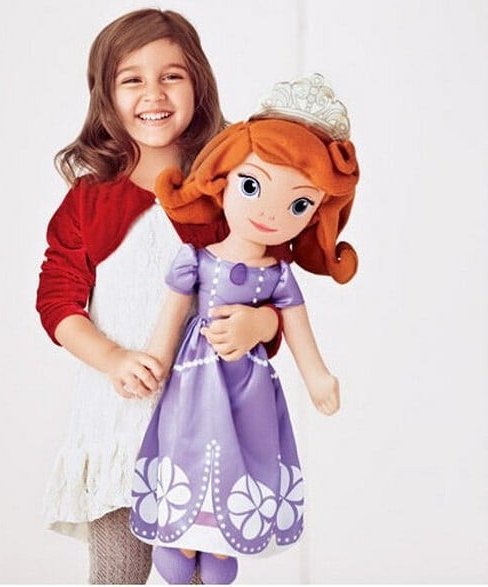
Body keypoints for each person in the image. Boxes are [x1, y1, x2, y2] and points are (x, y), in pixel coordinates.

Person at [36, 9, 283, 585]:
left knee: (196, 576)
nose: (154, 93)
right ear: (106, 95)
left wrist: (258, 327)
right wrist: (112, 358)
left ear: (199, 84)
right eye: (132, 79)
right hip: (119, 425)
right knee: (117, 574)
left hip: (205, 427)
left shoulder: (228, 196)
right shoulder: (89, 202)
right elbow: (57, 300)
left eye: (172, 75)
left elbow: (274, 293)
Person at [129, 74, 359, 584]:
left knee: (244, 456)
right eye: (252, 186)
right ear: (222, 179)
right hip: (194, 382)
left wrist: (317, 376)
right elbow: (169, 321)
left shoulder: (279, 275)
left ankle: (220, 538)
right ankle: (183, 533)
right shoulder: (195, 261)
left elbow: (298, 330)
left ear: (315, 214)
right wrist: (154, 361)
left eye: (299, 204)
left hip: (250, 387)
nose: (270, 214)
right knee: (190, 445)